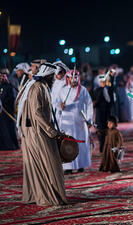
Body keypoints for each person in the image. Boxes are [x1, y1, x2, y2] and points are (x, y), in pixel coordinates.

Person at [16, 63, 67, 206]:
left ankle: (39, 194)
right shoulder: (38, 88)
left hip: (37, 131)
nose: (54, 79)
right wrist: (51, 131)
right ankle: (49, 196)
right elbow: (37, 113)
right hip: (38, 132)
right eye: (52, 77)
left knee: (41, 164)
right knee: (51, 163)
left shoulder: (41, 86)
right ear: (48, 76)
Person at [56, 70, 93, 174]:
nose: (73, 80)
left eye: (75, 78)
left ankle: (81, 165)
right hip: (67, 122)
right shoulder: (62, 91)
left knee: (80, 143)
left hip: (80, 120)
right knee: (68, 144)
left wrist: (89, 119)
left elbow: (89, 105)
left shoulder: (83, 90)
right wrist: (60, 106)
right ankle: (68, 167)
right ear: (67, 78)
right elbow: (57, 104)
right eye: (71, 78)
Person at [93, 72, 115, 153]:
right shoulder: (96, 91)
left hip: (107, 113)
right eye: (101, 82)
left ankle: (108, 147)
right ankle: (102, 148)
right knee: (100, 131)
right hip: (99, 114)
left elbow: (111, 100)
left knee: (108, 130)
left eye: (104, 81)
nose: (103, 83)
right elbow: (94, 102)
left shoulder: (109, 89)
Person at [0, 69, 19, 150]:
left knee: (8, 129)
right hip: (1, 112)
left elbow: (11, 98)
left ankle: (10, 146)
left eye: (2, 76)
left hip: (7, 111)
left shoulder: (8, 86)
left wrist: (2, 102)